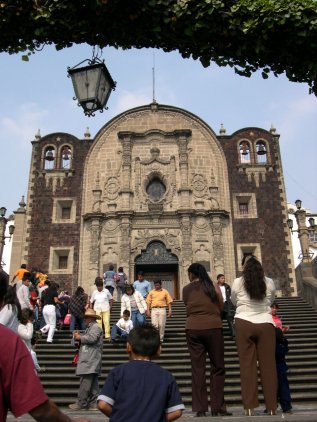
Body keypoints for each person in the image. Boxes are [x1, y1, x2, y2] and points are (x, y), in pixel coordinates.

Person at [0, 268, 91, 422]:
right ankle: (48, 338)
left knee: (49, 324)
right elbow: (40, 410)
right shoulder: (6, 341)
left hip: (43, 311)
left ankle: (46, 336)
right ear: (3, 298)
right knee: (52, 324)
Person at [97, 323, 185, 421]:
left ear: (128, 347)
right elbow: (177, 412)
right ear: (158, 350)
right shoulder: (167, 376)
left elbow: (103, 404)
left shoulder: (118, 372)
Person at [230, 255, 277, 416]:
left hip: (244, 322)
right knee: (269, 367)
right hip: (265, 322)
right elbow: (271, 300)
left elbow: (234, 300)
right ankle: (271, 407)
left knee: (246, 366)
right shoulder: (269, 282)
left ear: (245, 268)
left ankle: (249, 407)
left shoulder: (238, 282)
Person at [183, 263, 231, 417]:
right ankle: (217, 407)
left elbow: (186, 304)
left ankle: (200, 408)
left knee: (198, 369)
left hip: (193, 329)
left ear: (191, 274)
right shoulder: (213, 286)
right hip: (213, 328)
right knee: (218, 366)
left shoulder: (186, 289)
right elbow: (221, 305)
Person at [69, 308, 104, 411]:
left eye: (86, 318)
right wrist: (78, 336)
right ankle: (94, 403)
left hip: (91, 358)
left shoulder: (96, 327)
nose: (84, 320)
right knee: (92, 383)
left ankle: (81, 403)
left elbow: (92, 339)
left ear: (91, 318)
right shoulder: (91, 327)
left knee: (85, 382)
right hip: (90, 358)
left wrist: (79, 337)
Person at [271, 301, 293, 415]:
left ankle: (285, 404)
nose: (274, 309)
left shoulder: (277, 319)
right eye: (272, 307)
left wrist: (282, 330)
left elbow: (278, 334)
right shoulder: (268, 319)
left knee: (281, 377)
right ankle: (272, 404)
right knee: (274, 378)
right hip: (272, 348)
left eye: (276, 308)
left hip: (279, 347)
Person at [18, 308, 42, 372]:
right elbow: (28, 336)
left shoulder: (24, 326)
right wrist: (30, 324)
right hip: (23, 354)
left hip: (26, 352)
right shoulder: (20, 326)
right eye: (31, 318)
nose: (33, 320)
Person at [217, 273, 235, 338]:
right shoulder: (215, 287)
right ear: (218, 279)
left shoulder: (227, 286)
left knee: (230, 318)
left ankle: (233, 334)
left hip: (226, 304)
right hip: (219, 305)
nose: (223, 279)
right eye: (222, 278)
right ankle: (219, 334)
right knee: (218, 320)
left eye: (224, 278)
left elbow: (230, 295)